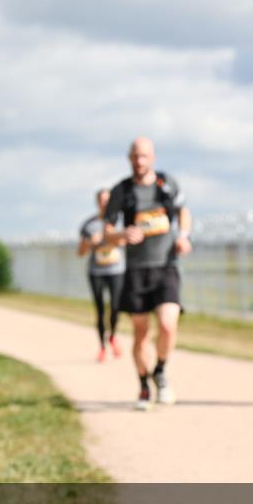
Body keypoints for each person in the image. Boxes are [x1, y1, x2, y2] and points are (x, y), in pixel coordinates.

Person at [103, 137, 191, 411]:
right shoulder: (121, 191)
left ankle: (160, 371)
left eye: (144, 156)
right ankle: (143, 385)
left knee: (168, 324)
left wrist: (184, 236)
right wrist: (121, 234)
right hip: (136, 270)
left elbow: (183, 211)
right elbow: (107, 231)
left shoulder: (167, 185)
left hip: (166, 266)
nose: (139, 161)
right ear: (129, 159)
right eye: (135, 157)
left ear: (152, 157)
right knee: (141, 333)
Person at [79, 188, 126, 362]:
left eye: (108, 200)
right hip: (96, 271)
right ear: (97, 202)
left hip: (116, 270)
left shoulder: (120, 220)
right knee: (99, 309)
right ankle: (102, 347)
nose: (105, 204)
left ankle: (112, 335)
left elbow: (124, 240)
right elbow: (81, 251)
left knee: (115, 306)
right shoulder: (88, 224)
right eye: (102, 201)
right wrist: (91, 243)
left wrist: (109, 237)